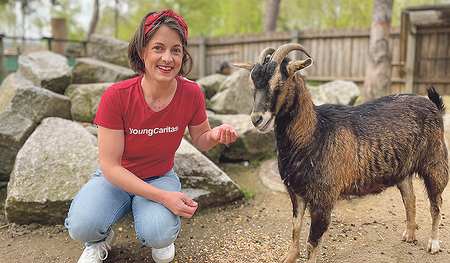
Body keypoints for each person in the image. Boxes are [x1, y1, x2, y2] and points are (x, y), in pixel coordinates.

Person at [65, 9, 238, 263]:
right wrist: (164, 198)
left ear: (183, 55)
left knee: (159, 233)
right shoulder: (116, 96)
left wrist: (215, 134)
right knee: (82, 226)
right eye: (158, 48)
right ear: (141, 51)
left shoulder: (191, 93)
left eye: (176, 50)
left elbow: (201, 138)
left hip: (159, 176)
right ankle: (99, 240)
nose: (167, 58)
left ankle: (159, 233)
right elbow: (110, 166)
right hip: (116, 178)